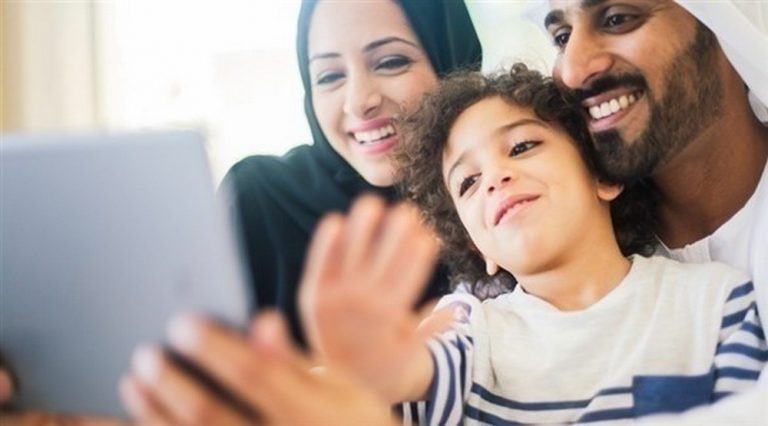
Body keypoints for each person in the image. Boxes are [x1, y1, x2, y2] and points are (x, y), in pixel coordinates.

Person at [297, 66, 765, 424]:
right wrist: (369, 366)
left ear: (602, 175)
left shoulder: (717, 303)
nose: (495, 178)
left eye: (521, 147)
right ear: (479, 248)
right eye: (468, 182)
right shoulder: (471, 331)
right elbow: (405, 371)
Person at [534, 0, 768, 422]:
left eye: (617, 19)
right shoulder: (578, 245)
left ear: (725, 24)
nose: (572, 70)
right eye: (562, 38)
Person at [224, 0, 481, 346]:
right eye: (330, 76)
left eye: (391, 62)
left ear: (452, 61)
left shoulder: (500, 187)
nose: (359, 102)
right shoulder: (260, 200)